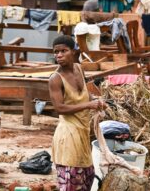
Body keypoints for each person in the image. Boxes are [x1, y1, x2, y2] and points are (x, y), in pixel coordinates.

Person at [49, 35, 105, 191]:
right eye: (56, 52)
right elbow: (59, 108)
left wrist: (97, 100)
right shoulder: (55, 78)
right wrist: (89, 104)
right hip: (67, 135)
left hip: (82, 132)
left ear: (73, 52)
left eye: (63, 51)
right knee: (71, 183)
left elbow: (85, 95)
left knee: (87, 179)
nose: (59, 55)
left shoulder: (79, 68)